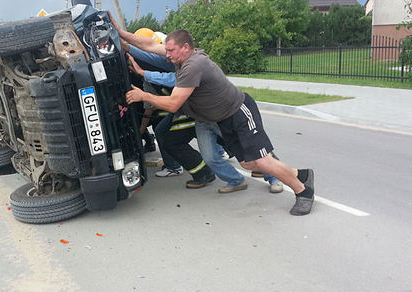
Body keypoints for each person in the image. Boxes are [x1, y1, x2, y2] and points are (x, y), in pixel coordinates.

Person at [122, 29, 314, 215]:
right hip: (221, 118)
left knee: (263, 161)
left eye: (171, 51)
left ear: (186, 47)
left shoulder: (193, 66)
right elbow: (147, 44)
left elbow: (173, 104)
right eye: (167, 50)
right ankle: (301, 174)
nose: (167, 55)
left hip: (239, 111)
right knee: (248, 164)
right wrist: (118, 32)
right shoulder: (180, 57)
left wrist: (143, 95)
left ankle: (303, 192)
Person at [128, 49, 283, 193]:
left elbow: (170, 82)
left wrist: (143, 78)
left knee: (248, 146)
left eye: (170, 51)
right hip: (199, 116)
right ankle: (235, 179)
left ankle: (274, 175)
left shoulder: (189, 65)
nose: (168, 56)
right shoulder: (169, 65)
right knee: (210, 155)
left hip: (217, 114)